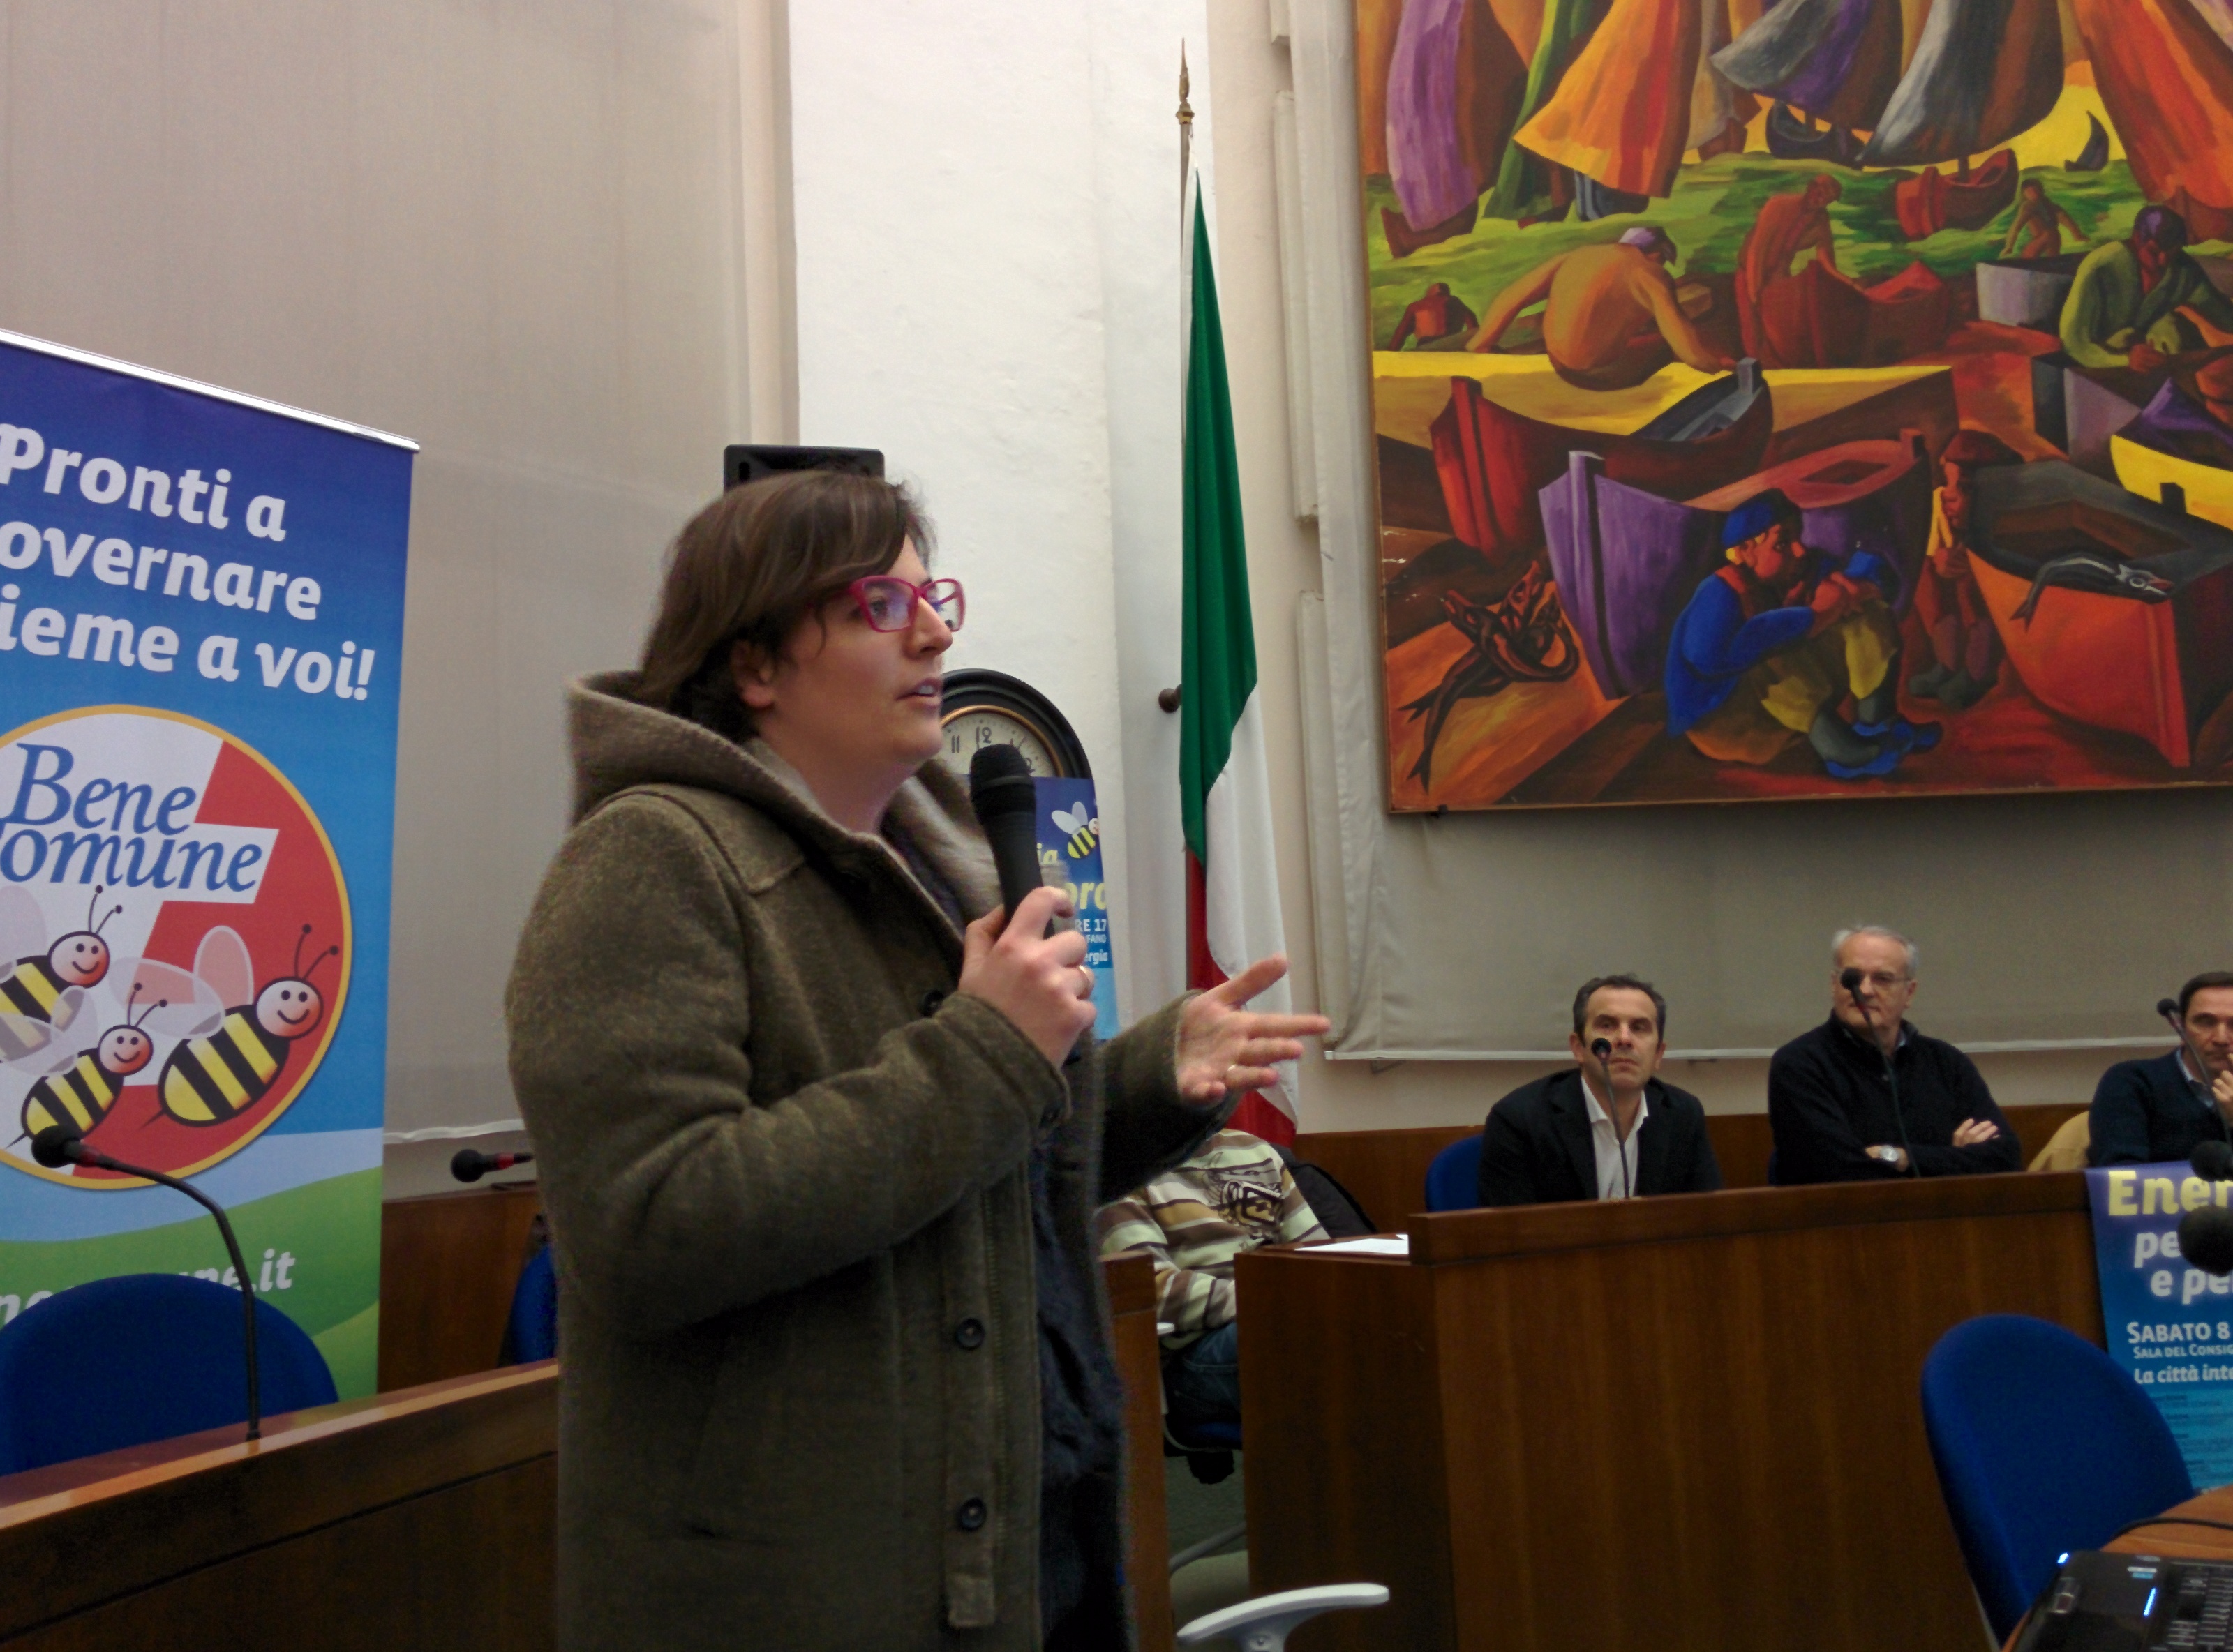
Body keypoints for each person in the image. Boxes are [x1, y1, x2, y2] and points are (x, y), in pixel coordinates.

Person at [505, 469, 1329, 1652]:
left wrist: (1150, 1076)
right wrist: (989, 1051)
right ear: (756, 663)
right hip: (803, 1587)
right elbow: (649, 1227)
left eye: (933, 598)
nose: (937, 632)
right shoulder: (649, 859)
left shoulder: (933, 869)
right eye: (880, 605)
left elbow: (969, 1179)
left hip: (1019, 1532)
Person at [1664, 488, 1936, 779]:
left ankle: (1878, 723)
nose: (1800, 550)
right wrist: (1814, 616)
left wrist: (1860, 587)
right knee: (1770, 648)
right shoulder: (1719, 591)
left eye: (1798, 537)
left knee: (1862, 608)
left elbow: (1874, 569)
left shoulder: (1800, 567)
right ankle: (1841, 752)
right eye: (1783, 543)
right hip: (1726, 723)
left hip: (1782, 712)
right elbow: (1708, 657)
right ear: (1745, 552)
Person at [1094, 1129, 1327, 1432]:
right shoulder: (1118, 1167)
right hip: (1191, 1353)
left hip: (1276, 1315)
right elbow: (1153, 1289)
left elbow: (1319, 1257)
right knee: (1320, 1340)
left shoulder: (1254, 1150)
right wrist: (1268, 1301)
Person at [1769, 926, 2022, 1184]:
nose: (1865, 990)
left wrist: (1901, 1158)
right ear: (1835, 985)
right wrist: (1954, 1159)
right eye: (1852, 978)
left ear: (1909, 993)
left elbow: (2006, 1157)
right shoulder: (1799, 1064)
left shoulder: (1946, 1062)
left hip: (1946, 1209)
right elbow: (1838, 1170)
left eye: (1883, 979)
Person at [1476, 975, 1723, 1207]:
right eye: (1607, 1025)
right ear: (1578, 1048)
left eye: (1639, 1027)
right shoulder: (1520, 1119)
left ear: (1659, 1053)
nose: (1624, 1039)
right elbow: (1512, 1231)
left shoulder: (1683, 1114)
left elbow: (1708, 1217)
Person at [1467, 225, 1736, 391]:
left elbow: (1514, 296)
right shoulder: (1648, 273)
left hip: (1558, 362)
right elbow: (1683, 344)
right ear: (1656, 254)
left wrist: (1481, 342)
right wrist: (1714, 365)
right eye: (1662, 261)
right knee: (1664, 346)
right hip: (1597, 374)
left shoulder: (1578, 256)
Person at [1908, 429, 2021, 712]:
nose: (1948, 495)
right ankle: (1947, 664)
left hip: (1989, 578)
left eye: (1963, 487)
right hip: (1955, 561)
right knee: (1926, 580)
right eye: (1947, 481)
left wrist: (1970, 562)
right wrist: (1938, 560)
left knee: (1970, 586)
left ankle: (1977, 673)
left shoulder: (2000, 514)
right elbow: (1932, 550)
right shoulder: (1940, 502)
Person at [2060, 204, 2233, 373]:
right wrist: (2125, 360)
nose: (2163, 261)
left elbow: (2220, 312)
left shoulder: (2184, 271)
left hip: (2152, 360)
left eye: (2172, 252)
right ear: (2136, 239)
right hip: (2101, 362)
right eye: (2154, 252)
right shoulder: (2101, 266)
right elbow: (2074, 341)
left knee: (2171, 328)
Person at [2089, 973, 2233, 1166]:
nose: (2221, 1039)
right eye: (2206, 1022)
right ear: (2181, 1029)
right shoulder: (2132, 1082)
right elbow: (2122, 1175)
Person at [1734, 174, 1844, 361]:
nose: (1822, 201)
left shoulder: (1821, 219)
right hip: (1750, 271)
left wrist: (1846, 283)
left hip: (1779, 273)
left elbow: (1827, 260)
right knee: (1753, 328)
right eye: (1820, 194)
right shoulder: (1779, 205)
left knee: (1779, 324)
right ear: (1810, 188)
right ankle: (1757, 363)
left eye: (1828, 199)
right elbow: (1757, 251)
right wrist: (1754, 292)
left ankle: (1777, 362)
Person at [2001, 179, 2087, 261]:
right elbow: (2066, 220)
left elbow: (2016, 227)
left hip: (2043, 238)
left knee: (2026, 257)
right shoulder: (2050, 204)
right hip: (2055, 237)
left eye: (2033, 190)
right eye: (2030, 191)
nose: (2032, 193)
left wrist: (2009, 247)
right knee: (2052, 260)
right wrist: (2077, 235)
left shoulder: (2028, 206)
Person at [1388, 281, 1480, 350]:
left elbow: (1400, 334)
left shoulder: (1416, 306)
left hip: (1424, 346)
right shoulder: (1455, 302)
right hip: (1451, 345)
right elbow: (1472, 324)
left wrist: (1391, 351)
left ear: (1430, 292)